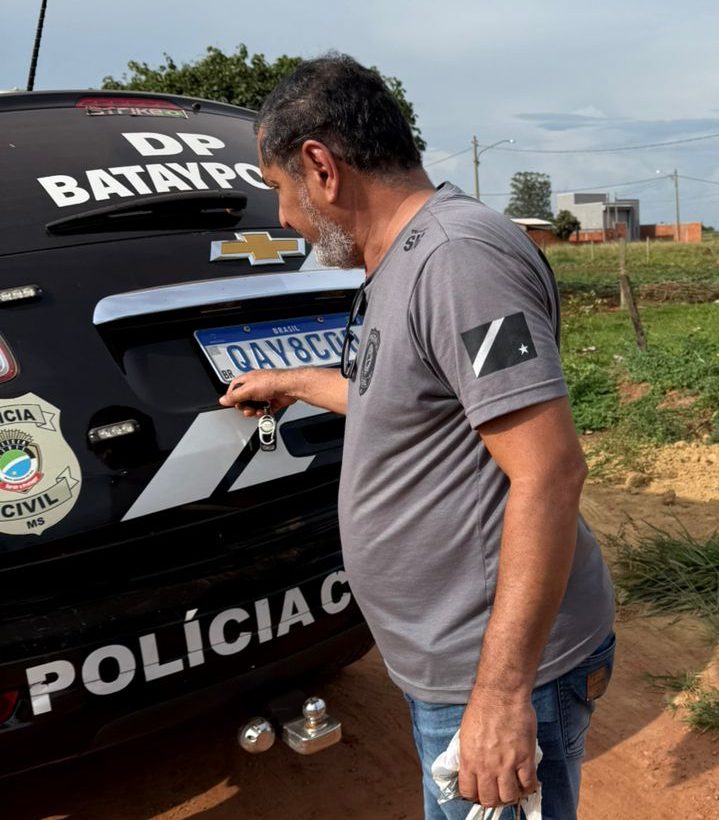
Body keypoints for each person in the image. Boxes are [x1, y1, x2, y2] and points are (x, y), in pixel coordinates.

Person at [219, 54, 615, 820]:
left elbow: (550, 473)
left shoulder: (457, 262)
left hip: (496, 674)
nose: (284, 221)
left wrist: (500, 699)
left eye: (278, 193)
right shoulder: (405, 261)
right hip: (457, 665)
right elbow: (412, 400)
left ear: (320, 167)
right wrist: (294, 383)